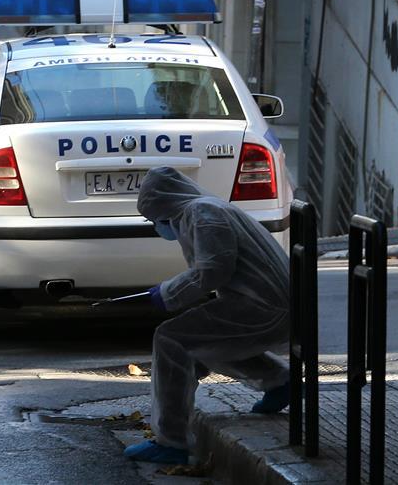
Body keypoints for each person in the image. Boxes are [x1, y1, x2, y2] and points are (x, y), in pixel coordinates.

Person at [122, 166, 290, 465]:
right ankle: (279, 382)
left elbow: (212, 271)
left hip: (264, 308)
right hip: (267, 303)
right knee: (202, 339)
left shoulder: (203, 214)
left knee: (171, 340)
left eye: (155, 220)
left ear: (165, 208)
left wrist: (167, 293)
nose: (157, 227)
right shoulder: (206, 208)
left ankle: (171, 441)